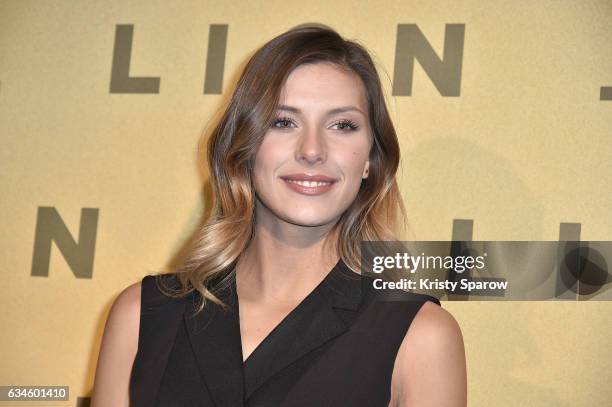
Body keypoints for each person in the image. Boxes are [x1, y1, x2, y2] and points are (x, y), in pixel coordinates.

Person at [91, 25, 467, 406]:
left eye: (343, 125)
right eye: (283, 122)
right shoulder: (143, 315)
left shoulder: (419, 337)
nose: (312, 150)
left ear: (371, 159)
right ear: (245, 147)